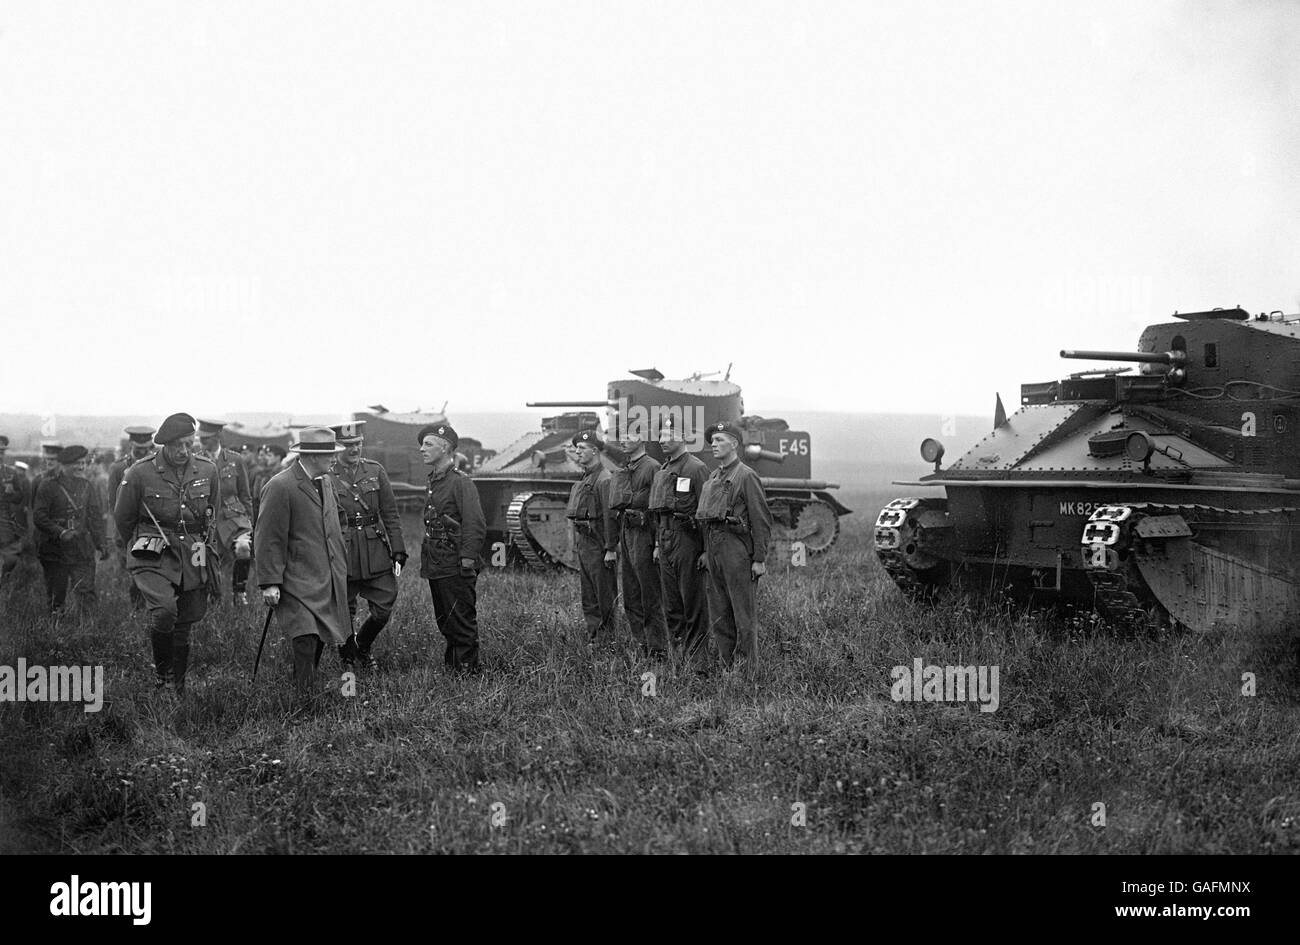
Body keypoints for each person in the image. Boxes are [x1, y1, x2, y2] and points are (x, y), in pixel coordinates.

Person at [114, 413, 220, 695]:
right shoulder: (139, 472)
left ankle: (178, 685)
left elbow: (212, 514)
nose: (184, 451)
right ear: (163, 445)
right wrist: (139, 550)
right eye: (177, 446)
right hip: (153, 551)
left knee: (186, 619)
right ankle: (164, 677)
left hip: (193, 551)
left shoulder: (208, 470)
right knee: (164, 612)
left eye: (189, 444)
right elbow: (123, 518)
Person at [254, 427, 353, 696]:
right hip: (295, 578)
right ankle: (305, 699)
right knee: (305, 636)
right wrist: (270, 583)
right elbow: (268, 537)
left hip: (327, 575)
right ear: (311, 456)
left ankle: (304, 686)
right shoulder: (279, 486)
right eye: (329, 454)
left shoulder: (326, 482)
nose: (334, 459)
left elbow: (339, 519)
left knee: (320, 635)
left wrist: (338, 551)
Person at [695, 421, 773, 672]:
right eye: (713, 441)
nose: (714, 445)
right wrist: (707, 552)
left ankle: (750, 671)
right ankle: (726, 667)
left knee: (743, 616)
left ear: (735, 444)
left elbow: (761, 519)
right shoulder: (714, 476)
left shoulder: (746, 475)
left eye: (720, 440)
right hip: (715, 549)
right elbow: (707, 519)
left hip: (736, 550)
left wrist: (759, 558)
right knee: (719, 613)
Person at [327, 420, 406, 669]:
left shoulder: (375, 470)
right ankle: (348, 655)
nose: (354, 450)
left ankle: (363, 643)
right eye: (347, 445)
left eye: (358, 444)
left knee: (385, 603)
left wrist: (398, 548)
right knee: (343, 608)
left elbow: (390, 513)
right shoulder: (326, 475)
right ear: (336, 447)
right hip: (343, 548)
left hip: (374, 547)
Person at [419, 422, 486, 673]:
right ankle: (454, 667)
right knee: (445, 619)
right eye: (422, 444)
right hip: (437, 561)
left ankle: (468, 671)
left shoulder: (460, 482)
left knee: (460, 619)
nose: (421, 449)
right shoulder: (434, 480)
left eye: (428, 444)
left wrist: (467, 560)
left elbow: (475, 523)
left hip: (455, 562)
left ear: (445, 448)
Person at [649, 416, 710, 667]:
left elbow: (707, 513)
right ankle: (678, 658)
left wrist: (706, 550)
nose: (663, 440)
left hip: (688, 540)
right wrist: (656, 544)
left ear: (684, 437)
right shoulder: (663, 470)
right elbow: (657, 512)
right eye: (661, 436)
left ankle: (698, 664)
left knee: (693, 603)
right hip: (665, 539)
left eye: (670, 435)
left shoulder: (696, 469)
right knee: (672, 604)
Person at [609, 425, 667, 657]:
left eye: (629, 437)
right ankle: (640, 643)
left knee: (650, 594)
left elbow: (658, 508)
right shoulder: (627, 467)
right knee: (632, 594)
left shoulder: (652, 467)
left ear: (642, 440)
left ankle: (658, 648)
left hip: (645, 533)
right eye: (621, 437)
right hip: (628, 533)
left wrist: (657, 544)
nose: (623, 440)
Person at [33, 445, 107, 616]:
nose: (81, 468)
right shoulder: (48, 486)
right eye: (77, 464)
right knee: (56, 595)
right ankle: (56, 632)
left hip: (81, 548)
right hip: (54, 550)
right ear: (64, 465)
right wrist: (60, 532)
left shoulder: (87, 486)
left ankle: (88, 632)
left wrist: (101, 543)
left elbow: (94, 518)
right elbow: (39, 517)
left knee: (86, 591)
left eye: (83, 463)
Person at [564, 429, 618, 642]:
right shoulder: (587, 477)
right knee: (589, 596)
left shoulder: (604, 479)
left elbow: (609, 516)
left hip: (598, 545)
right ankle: (594, 637)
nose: (577, 452)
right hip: (586, 544)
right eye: (576, 448)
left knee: (604, 596)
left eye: (582, 448)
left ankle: (607, 640)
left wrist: (610, 549)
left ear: (595, 451)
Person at [197, 420, 254, 604]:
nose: (202, 441)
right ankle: (213, 595)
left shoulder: (235, 459)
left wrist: (250, 524)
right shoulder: (195, 460)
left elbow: (245, 494)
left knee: (244, 548)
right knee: (202, 560)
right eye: (201, 437)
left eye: (207, 438)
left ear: (218, 436)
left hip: (233, 517)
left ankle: (239, 592)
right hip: (206, 519)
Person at [107, 425, 156, 610]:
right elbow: (113, 503)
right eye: (138, 450)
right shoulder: (118, 468)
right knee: (135, 572)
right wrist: (121, 533)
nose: (143, 453)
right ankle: (137, 610)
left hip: (152, 527)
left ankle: (151, 608)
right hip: (128, 529)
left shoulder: (156, 465)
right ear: (130, 445)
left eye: (146, 449)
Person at [0, 435, 31, 590]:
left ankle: (3, 581)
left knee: (11, 558)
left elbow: (20, 497)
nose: (0, 454)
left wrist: (11, 493)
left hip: (4, 519)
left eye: (1, 451)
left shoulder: (10, 473)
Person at [250, 443, 287, 521]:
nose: (266, 458)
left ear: (278, 457)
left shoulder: (285, 474)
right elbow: (257, 498)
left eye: (269, 455)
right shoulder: (263, 474)